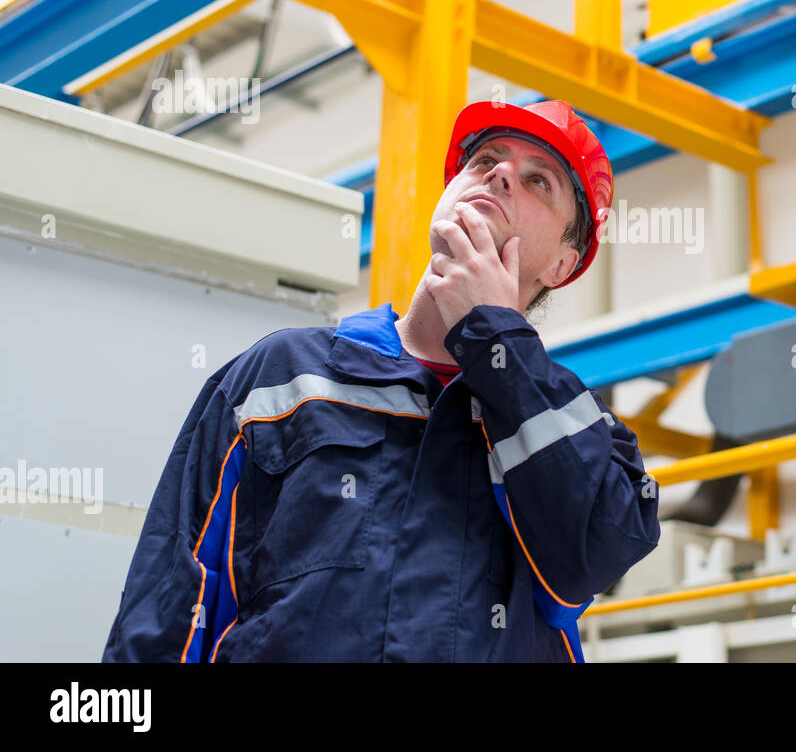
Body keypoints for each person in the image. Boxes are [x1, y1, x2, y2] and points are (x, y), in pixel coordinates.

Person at [102, 98, 660, 662]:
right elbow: (168, 606)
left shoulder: (579, 427)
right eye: (486, 158)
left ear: (563, 265)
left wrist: (494, 337)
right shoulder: (282, 374)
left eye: (539, 180)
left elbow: (597, 547)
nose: (500, 173)